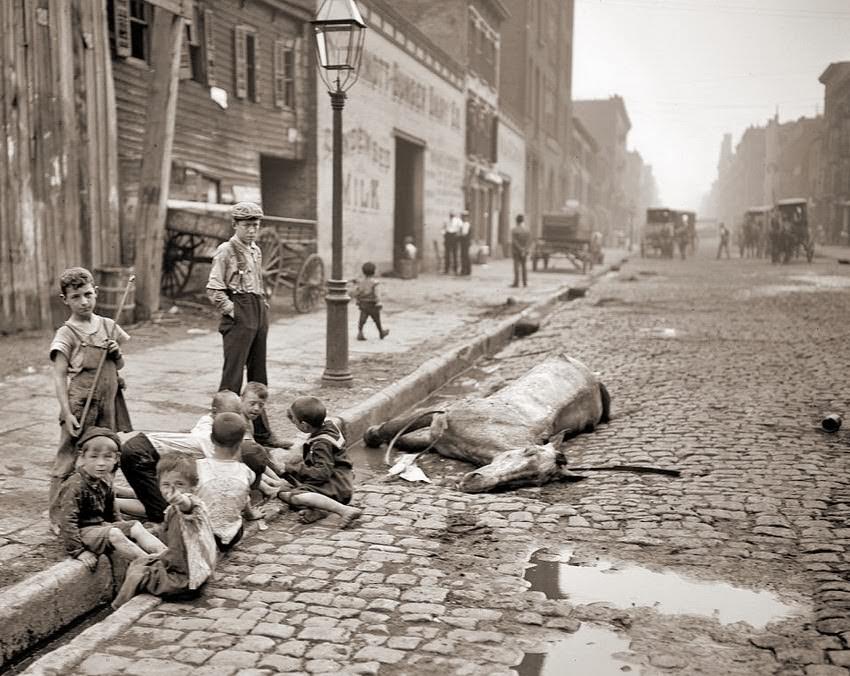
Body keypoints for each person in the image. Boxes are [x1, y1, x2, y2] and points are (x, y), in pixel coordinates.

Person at [49, 267, 132, 527]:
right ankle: (56, 516)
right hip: (80, 404)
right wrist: (67, 412)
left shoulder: (109, 325)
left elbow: (118, 366)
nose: (84, 302)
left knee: (106, 454)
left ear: (95, 292)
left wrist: (116, 352)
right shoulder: (67, 333)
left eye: (87, 294)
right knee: (69, 457)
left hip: (107, 404)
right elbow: (59, 376)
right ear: (66, 300)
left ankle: (102, 510)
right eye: (76, 297)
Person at [206, 201, 280, 446]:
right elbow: (214, 289)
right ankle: (224, 435)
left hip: (258, 312)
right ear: (235, 225)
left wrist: (262, 309)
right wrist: (234, 312)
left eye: (255, 225)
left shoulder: (255, 250)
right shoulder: (226, 250)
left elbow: (256, 283)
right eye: (247, 225)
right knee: (232, 379)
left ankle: (262, 433)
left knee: (259, 377)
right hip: (240, 315)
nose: (251, 230)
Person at [112, 453, 217, 608]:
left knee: (138, 573)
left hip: (186, 581)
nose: (171, 490)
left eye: (179, 484)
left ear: (193, 487)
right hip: (186, 570)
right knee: (142, 562)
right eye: (166, 485)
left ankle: (119, 607)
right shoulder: (170, 510)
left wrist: (181, 500)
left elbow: (189, 507)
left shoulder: (192, 506)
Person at [54, 428, 165, 571]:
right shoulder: (74, 485)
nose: (101, 463)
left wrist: (126, 529)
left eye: (107, 457)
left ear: (116, 458)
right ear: (82, 457)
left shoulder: (105, 480)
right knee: (114, 533)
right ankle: (151, 567)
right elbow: (68, 522)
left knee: (135, 526)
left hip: (99, 528)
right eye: (94, 457)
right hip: (82, 532)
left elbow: (113, 513)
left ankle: (166, 556)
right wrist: (78, 551)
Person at [277, 396, 362, 527]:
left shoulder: (321, 444)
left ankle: (344, 510)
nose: (292, 422)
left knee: (292, 495)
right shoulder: (329, 426)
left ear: (304, 426)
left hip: (336, 486)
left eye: (294, 420)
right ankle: (320, 510)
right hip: (343, 480)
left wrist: (290, 469)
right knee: (295, 486)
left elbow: (321, 474)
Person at [196, 412, 265, 551]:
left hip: (205, 535)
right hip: (233, 535)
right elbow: (245, 498)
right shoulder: (246, 472)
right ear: (240, 443)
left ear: (211, 438)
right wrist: (251, 514)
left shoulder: (197, 467)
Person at [352, 262, 389, 341]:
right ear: (374, 271)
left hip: (363, 304)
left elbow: (357, 292)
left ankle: (360, 332)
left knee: (362, 319)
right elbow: (377, 293)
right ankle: (381, 332)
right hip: (373, 304)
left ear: (363, 271)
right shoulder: (375, 283)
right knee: (377, 320)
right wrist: (379, 302)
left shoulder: (361, 282)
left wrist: (357, 298)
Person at [510, 214, 532, 287]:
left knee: (516, 267)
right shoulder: (527, 230)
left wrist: (520, 249)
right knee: (524, 267)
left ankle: (516, 283)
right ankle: (525, 283)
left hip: (516, 251)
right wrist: (524, 249)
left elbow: (514, 241)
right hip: (525, 252)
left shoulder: (514, 230)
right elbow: (529, 241)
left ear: (516, 221)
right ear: (523, 221)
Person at [459, 210, 472, 276]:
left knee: (465, 256)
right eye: (463, 217)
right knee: (464, 256)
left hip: (465, 242)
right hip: (464, 242)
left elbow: (464, 234)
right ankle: (465, 270)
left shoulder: (466, 224)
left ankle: (466, 270)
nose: (463, 218)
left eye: (465, 217)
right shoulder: (463, 224)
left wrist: (459, 235)